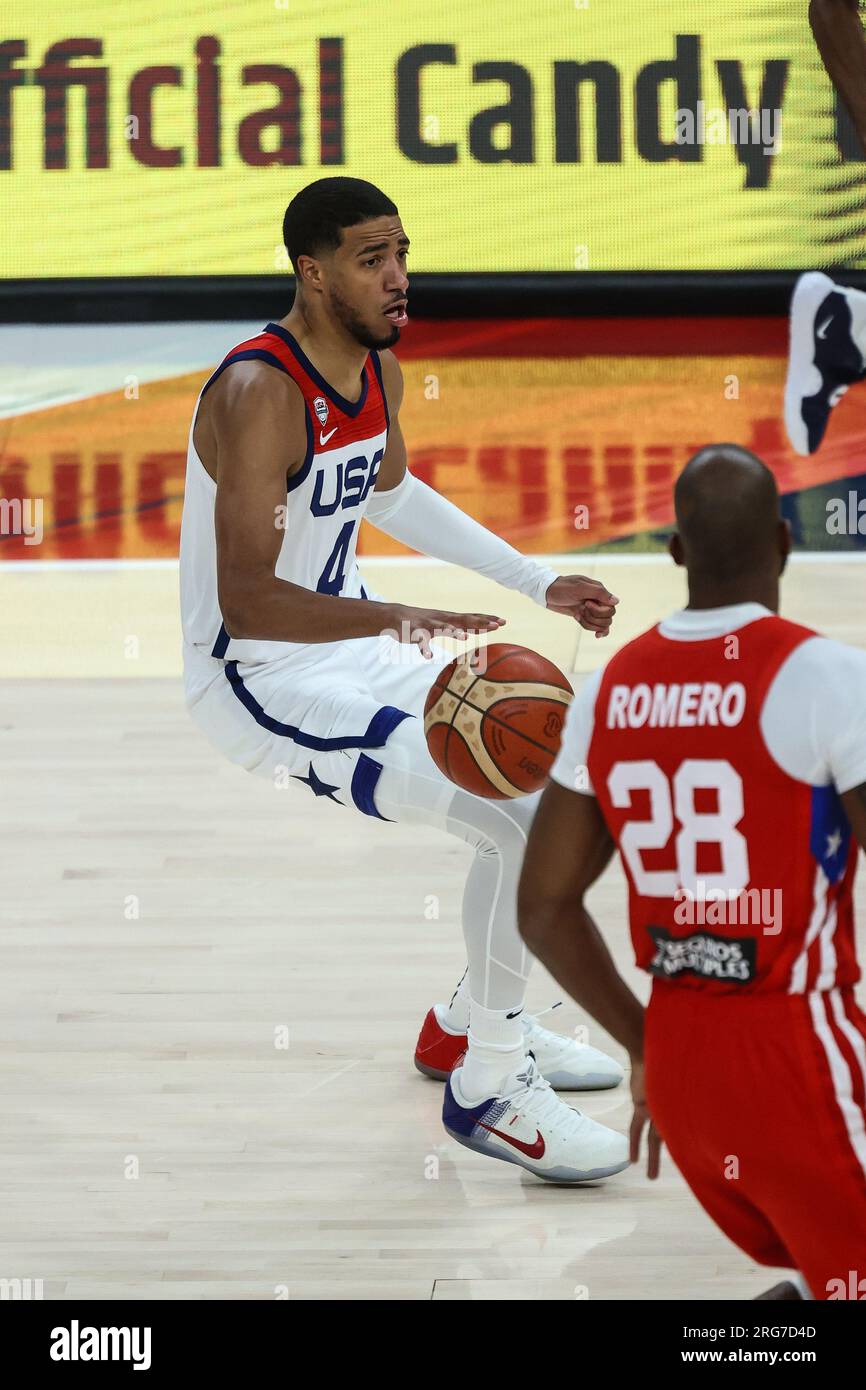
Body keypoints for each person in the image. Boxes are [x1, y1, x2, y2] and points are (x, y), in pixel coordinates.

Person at [179, 175, 629, 1184]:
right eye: (371, 259)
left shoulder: (372, 364)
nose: (397, 278)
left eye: (401, 253)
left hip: (352, 644)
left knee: (545, 784)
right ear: (312, 269)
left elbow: (392, 489)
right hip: (263, 681)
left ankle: (467, 1019)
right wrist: (399, 615)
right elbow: (248, 601)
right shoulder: (258, 391)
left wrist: (536, 579)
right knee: (512, 819)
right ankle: (489, 1083)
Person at [517, 444, 866, 1294]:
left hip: (681, 1066)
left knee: (818, 1274)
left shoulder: (610, 690)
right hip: (798, 1051)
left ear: (674, 552)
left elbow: (544, 907)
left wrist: (644, 1047)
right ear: (785, 544)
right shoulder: (825, 675)